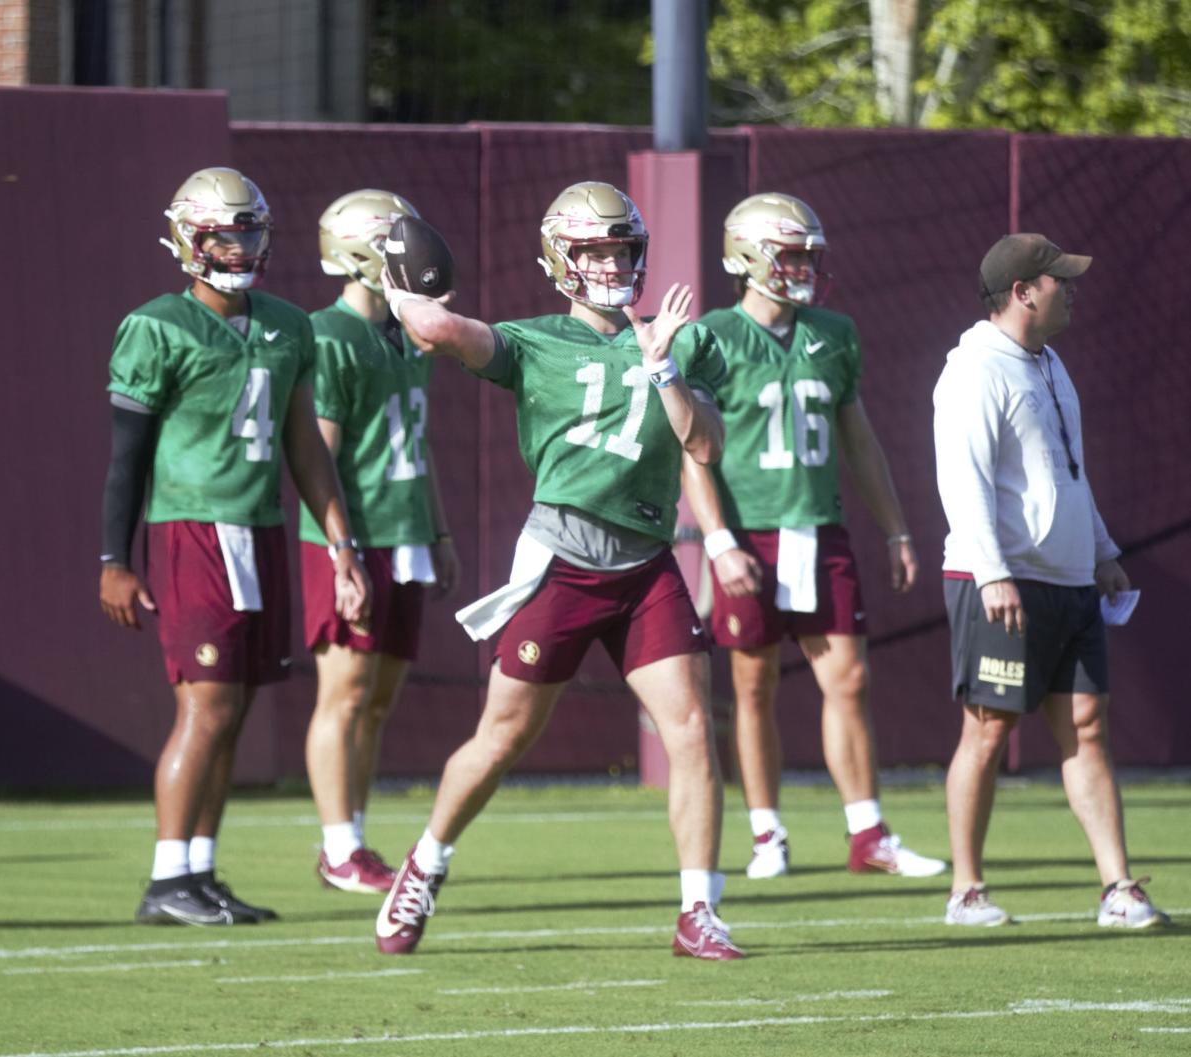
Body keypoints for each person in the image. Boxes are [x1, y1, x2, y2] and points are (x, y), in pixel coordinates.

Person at [373, 181, 743, 960]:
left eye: (620, 248)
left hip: (646, 562)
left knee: (691, 732)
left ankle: (698, 910)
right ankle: (427, 860)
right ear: (561, 260)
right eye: (594, 250)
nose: (611, 263)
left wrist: (663, 366)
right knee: (504, 735)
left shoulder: (679, 339)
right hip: (564, 557)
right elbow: (440, 327)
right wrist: (397, 278)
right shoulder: (532, 341)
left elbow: (703, 446)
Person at [99, 167, 369, 926]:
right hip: (191, 528)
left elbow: (306, 448)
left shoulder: (289, 323)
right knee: (207, 707)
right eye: (221, 231)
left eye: (246, 229)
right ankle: (165, 878)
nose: (236, 244)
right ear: (188, 238)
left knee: (237, 707)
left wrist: (342, 542)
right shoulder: (156, 325)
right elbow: (126, 457)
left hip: (263, 528)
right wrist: (112, 559)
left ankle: (200, 872)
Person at [684, 192, 946, 880]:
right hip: (750, 532)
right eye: (789, 254)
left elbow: (858, 439)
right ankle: (767, 832)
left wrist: (895, 530)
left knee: (850, 678)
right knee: (752, 686)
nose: (802, 267)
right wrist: (716, 538)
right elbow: (692, 448)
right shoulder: (710, 336)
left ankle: (868, 832)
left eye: (807, 255)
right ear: (746, 258)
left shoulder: (834, 331)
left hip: (820, 526)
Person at [933, 232, 1169, 928]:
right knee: (987, 729)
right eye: (1060, 279)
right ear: (1023, 291)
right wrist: (993, 571)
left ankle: (1117, 888)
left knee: (1089, 727)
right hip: (1004, 580)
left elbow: (1067, 469)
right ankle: (967, 890)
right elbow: (963, 480)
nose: (1072, 288)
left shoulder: (1050, 362)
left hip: (1067, 580)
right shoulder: (975, 369)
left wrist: (1099, 549)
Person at [301, 190, 458, 894]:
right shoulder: (329, 335)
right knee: (344, 691)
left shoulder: (407, 332)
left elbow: (415, 446)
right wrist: (341, 552)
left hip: (405, 532)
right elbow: (319, 457)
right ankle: (340, 845)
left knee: (378, 699)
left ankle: (354, 837)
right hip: (350, 536)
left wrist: (441, 529)